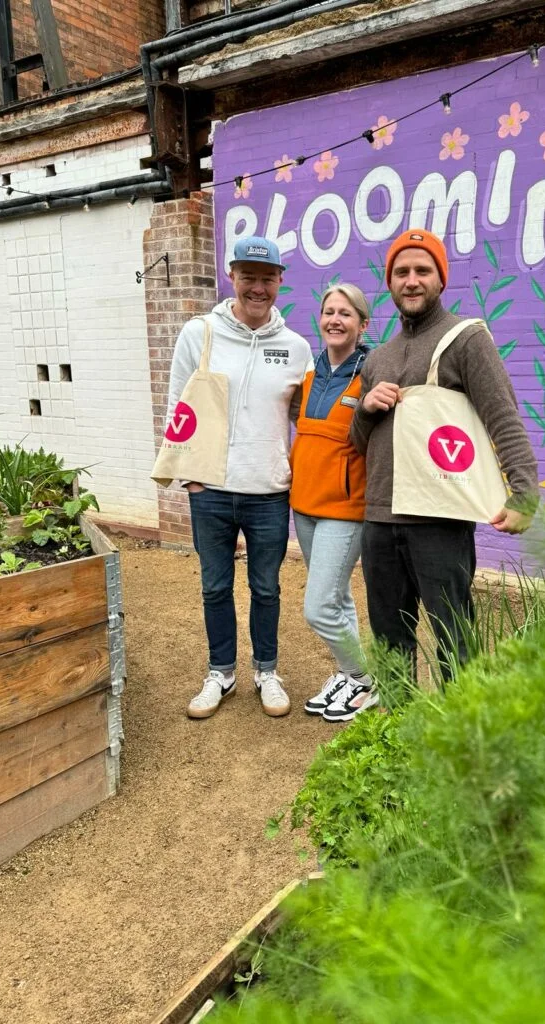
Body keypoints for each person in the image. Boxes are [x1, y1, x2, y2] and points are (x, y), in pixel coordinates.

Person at [349, 227, 538, 677]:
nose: (411, 280)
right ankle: (398, 733)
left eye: (422, 270)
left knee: (455, 635)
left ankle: (459, 736)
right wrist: (367, 410)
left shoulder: (465, 339)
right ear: (389, 282)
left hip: (439, 519)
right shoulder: (376, 359)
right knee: (390, 641)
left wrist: (524, 492)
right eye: (401, 272)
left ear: (440, 279)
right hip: (379, 520)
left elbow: (502, 415)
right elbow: (358, 444)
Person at [166, 236, 313, 720]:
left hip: (268, 492)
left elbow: (309, 420)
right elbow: (179, 405)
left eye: (267, 278)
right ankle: (221, 673)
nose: (257, 287)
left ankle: (267, 671)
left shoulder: (295, 347)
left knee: (266, 587)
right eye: (248, 276)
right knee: (214, 587)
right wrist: (190, 477)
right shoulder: (199, 332)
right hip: (210, 489)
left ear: (279, 283)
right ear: (232, 276)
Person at [289, 284, 377, 723]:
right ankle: (350, 674)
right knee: (338, 598)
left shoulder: (372, 373)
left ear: (363, 325)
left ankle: (364, 678)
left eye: (346, 313)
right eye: (329, 312)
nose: (335, 320)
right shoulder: (309, 374)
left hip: (345, 510)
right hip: (304, 505)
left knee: (319, 605)